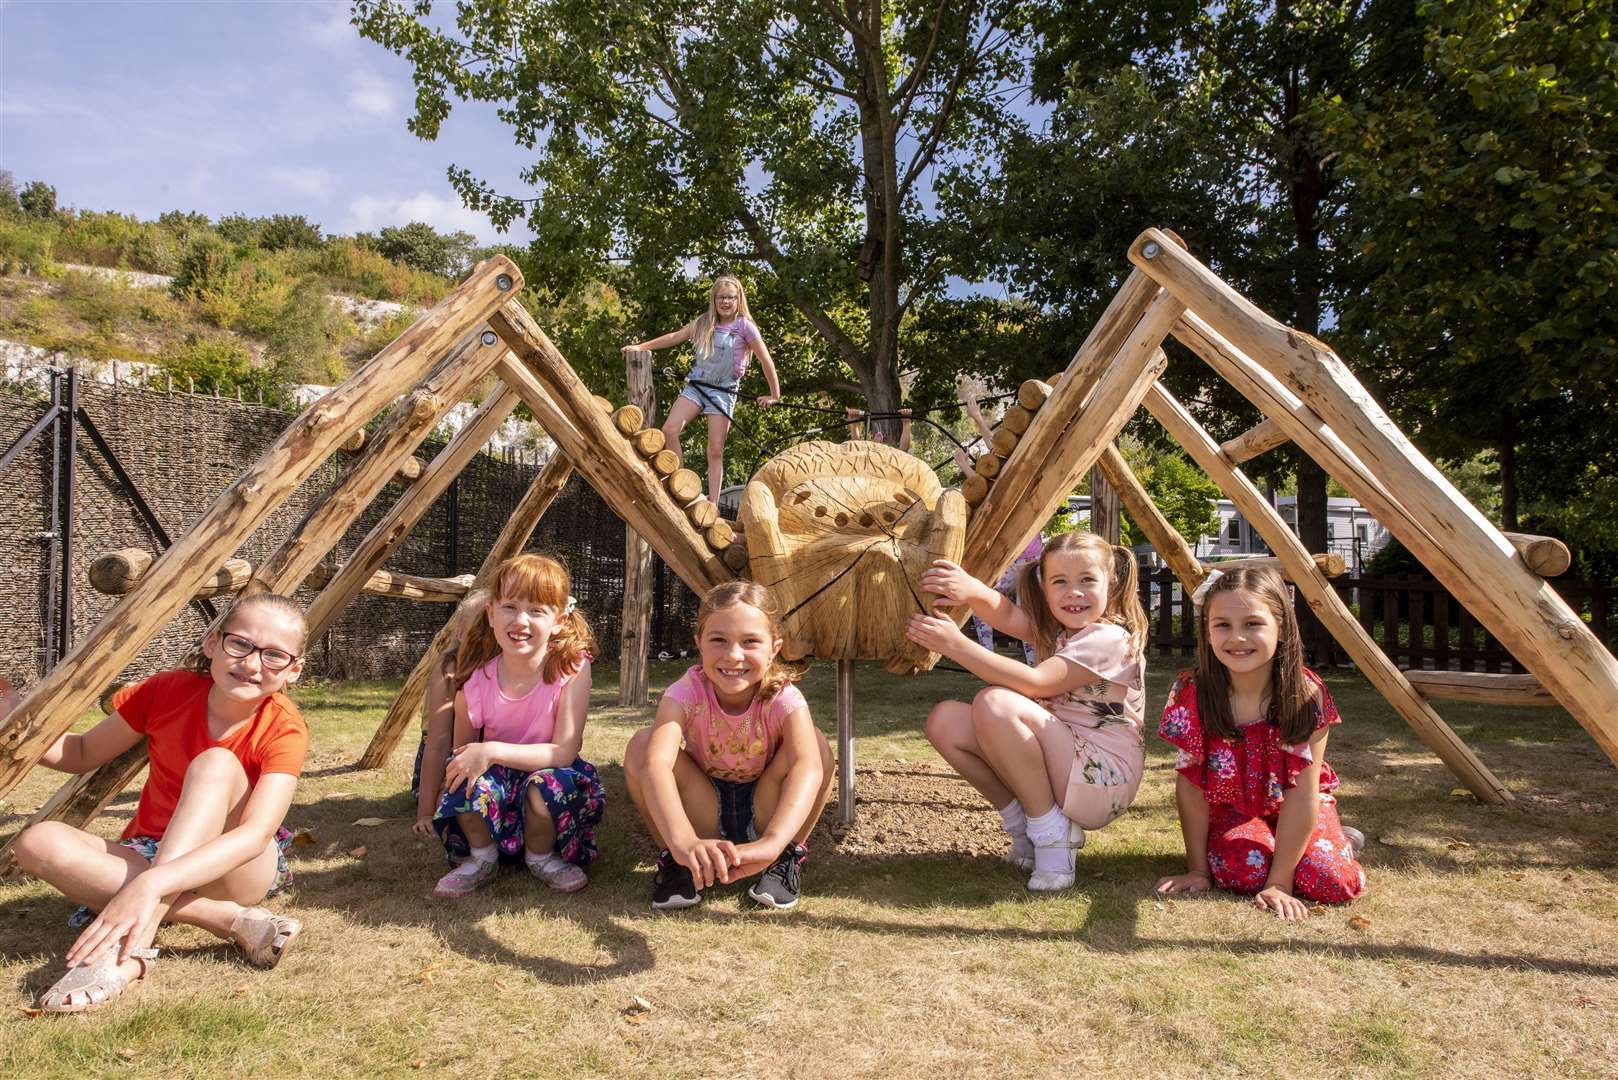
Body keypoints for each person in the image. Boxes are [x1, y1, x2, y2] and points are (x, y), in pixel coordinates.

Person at [14, 593, 310, 1013]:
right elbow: (80, 752)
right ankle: (228, 920)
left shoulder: (285, 727)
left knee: (216, 764)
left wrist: (152, 883)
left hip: (234, 865)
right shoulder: (165, 691)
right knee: (36, 841)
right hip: (150, 848)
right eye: (239, 644)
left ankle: (127, 951)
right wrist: (13, 722)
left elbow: (254, 834)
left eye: (274, 655)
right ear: (212, 643)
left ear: (293, 670)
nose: (251, 663)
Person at [906, 532, 1149, 891]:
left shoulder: (1108, 639)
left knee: (996, 703)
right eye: (1060, 582)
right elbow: (1009, 616)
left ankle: (1053, 837)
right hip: (1069, 763)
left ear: (1111, 585)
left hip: (1101, 782)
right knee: (946, 721)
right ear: (1044, 588)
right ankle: (1023, 825)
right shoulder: (1063, 632)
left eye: (1087, 580)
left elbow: (1036, 683)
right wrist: (973, 590)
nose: (1074, 592)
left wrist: (955, 646)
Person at [1154, 566, 1366, 918]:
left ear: (1280, 628)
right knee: (1244, 872)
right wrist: (1197, 870)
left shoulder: (1306, 695)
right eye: (1223, 625)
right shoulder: (1192, 692)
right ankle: (1276, 848)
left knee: (1328, 881)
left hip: (1294, 804)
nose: (1237, 638)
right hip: (1232, 807)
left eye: (1253, 624)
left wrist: (1280, 883)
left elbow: (1303, 793)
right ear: (1207, 632)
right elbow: (1190, 787)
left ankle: (1338, 841)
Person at [623, 581, 833, 911]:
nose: (733, 655)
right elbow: (656, 765)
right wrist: (683, 840)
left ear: (774, 648)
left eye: (750, 642)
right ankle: (678, 861)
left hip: (765, 808)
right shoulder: (685, 691)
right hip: (703, 809)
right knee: (642, 745)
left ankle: (785, 857)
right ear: (699, 644)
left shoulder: (784, 697)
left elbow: (808, 767)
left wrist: (773, 842)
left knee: (816, 747)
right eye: (718, 640)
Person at [429, 554, 606, 898]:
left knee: (545, 786)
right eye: (510, 606)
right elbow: (461, 754)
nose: (521, 620)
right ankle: (482, 858)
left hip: (552, 774)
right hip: (498, 784)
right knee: (463, 773)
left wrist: (492, 750)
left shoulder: (572, 668)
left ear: (559, 620)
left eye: (537, 610)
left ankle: (541, 857)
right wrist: (461, 770)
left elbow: (564, 752)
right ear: (491, 614)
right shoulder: (476, 683)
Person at [622, 276, 781, 504]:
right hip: (697, 386)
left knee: (715, 449)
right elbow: (675, 337)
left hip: (724, 392)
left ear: (738, 300)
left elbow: (766, 360)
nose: (726, 302)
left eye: (730, 297)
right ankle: (680, 484)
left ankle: (713, 503)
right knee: (669, 429)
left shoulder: (745, 326)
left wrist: (775, 395)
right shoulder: (705, 322)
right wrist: (640, 347)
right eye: (721, 297)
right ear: (714, 300)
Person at [410, 588, 491, 841]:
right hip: (446, 754)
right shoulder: (449, 668)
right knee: (452, 805)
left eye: (489, 628)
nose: (484, 637)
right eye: (476, 629)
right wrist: (425, 814)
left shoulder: (510, 666)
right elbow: (437, 742)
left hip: (487, 754)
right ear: (459, 632)